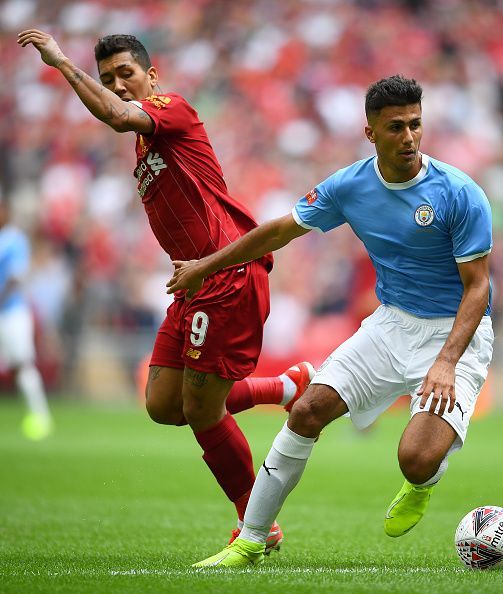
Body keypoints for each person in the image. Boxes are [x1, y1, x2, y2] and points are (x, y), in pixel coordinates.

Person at [165, 75, 494, 568]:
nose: (408, 137)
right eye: (396, 127)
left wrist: (445, 362)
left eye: (416, 125)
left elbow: (478, 287)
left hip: (455, 334)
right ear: (371, 133)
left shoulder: (460, 194)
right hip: (390, 326)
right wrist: (204, 266)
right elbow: (279, 230)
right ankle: (251, 539)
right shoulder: (350, 185)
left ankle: (421, 483)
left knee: (416, 458)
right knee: (307, 411)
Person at [17, 29, 315, 551]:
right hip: (192, 283)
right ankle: (285, 388)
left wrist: (63, 64)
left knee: (202, 410)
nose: (117, 85)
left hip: (224, 275)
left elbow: (114, 115)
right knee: (162, 404)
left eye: (124, 74)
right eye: (107, 78)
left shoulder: (171, 108)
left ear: (151, 75)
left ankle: (257, 523)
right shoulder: (145, 142)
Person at [0, 199, 53, 441]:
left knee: (22, 363)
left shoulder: (14, 239)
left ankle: (40, 416)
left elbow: (15, 278)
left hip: (11, 312)